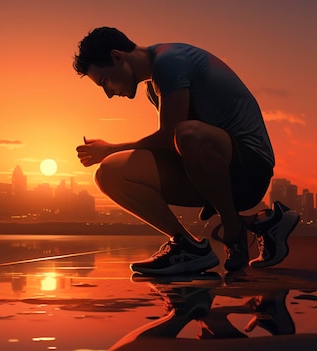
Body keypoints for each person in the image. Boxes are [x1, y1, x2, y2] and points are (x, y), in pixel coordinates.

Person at [73, 27, 299, 274]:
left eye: (105, 82)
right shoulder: (153, 87)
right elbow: (171, 145)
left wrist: (111, 148)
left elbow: (172, 136)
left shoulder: (170, 61)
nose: (108, 94)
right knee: (110, 173)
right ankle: (189, 245)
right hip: (209, 166)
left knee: (187, 133)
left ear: (117, 57)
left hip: (249, 169)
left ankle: (234, 229)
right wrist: (113, 157)